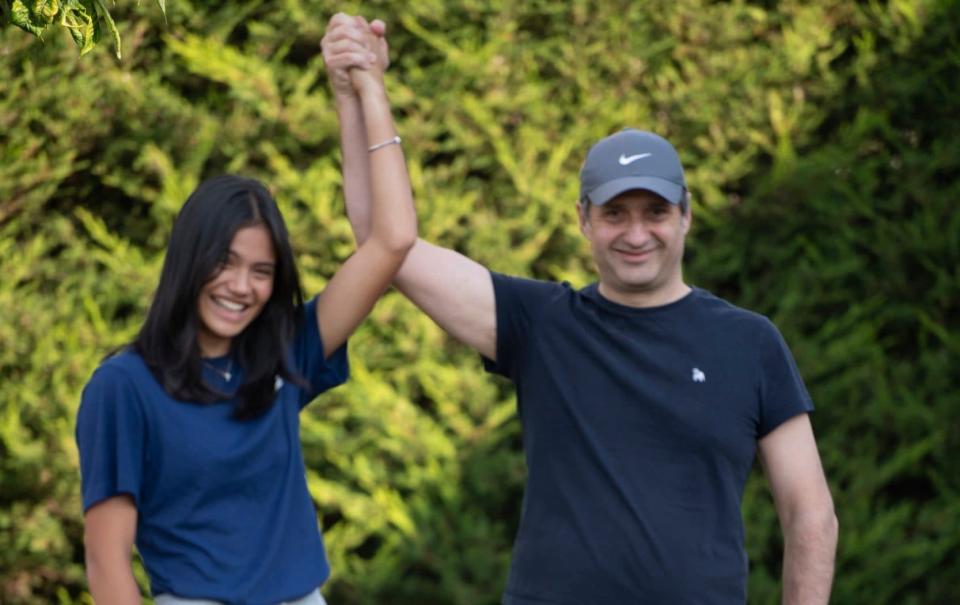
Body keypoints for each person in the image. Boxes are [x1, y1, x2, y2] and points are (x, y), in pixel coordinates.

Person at [323, 15, 838, 605]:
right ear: (584, 221)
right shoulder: (540, 323)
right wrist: (359, 93)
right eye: (615, 214)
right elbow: (382, 239)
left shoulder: (750, 343)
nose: (636, 233)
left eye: (655, 212)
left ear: (686, 216)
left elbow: (811, 514)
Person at [75, 21, 415, 605]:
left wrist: (363, 90)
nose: (241, 287)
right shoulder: (123, 387)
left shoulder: (285, 349)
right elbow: (108, 567)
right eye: (225, 263)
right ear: (189, 261)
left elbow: (391, 240)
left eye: (262, 272)